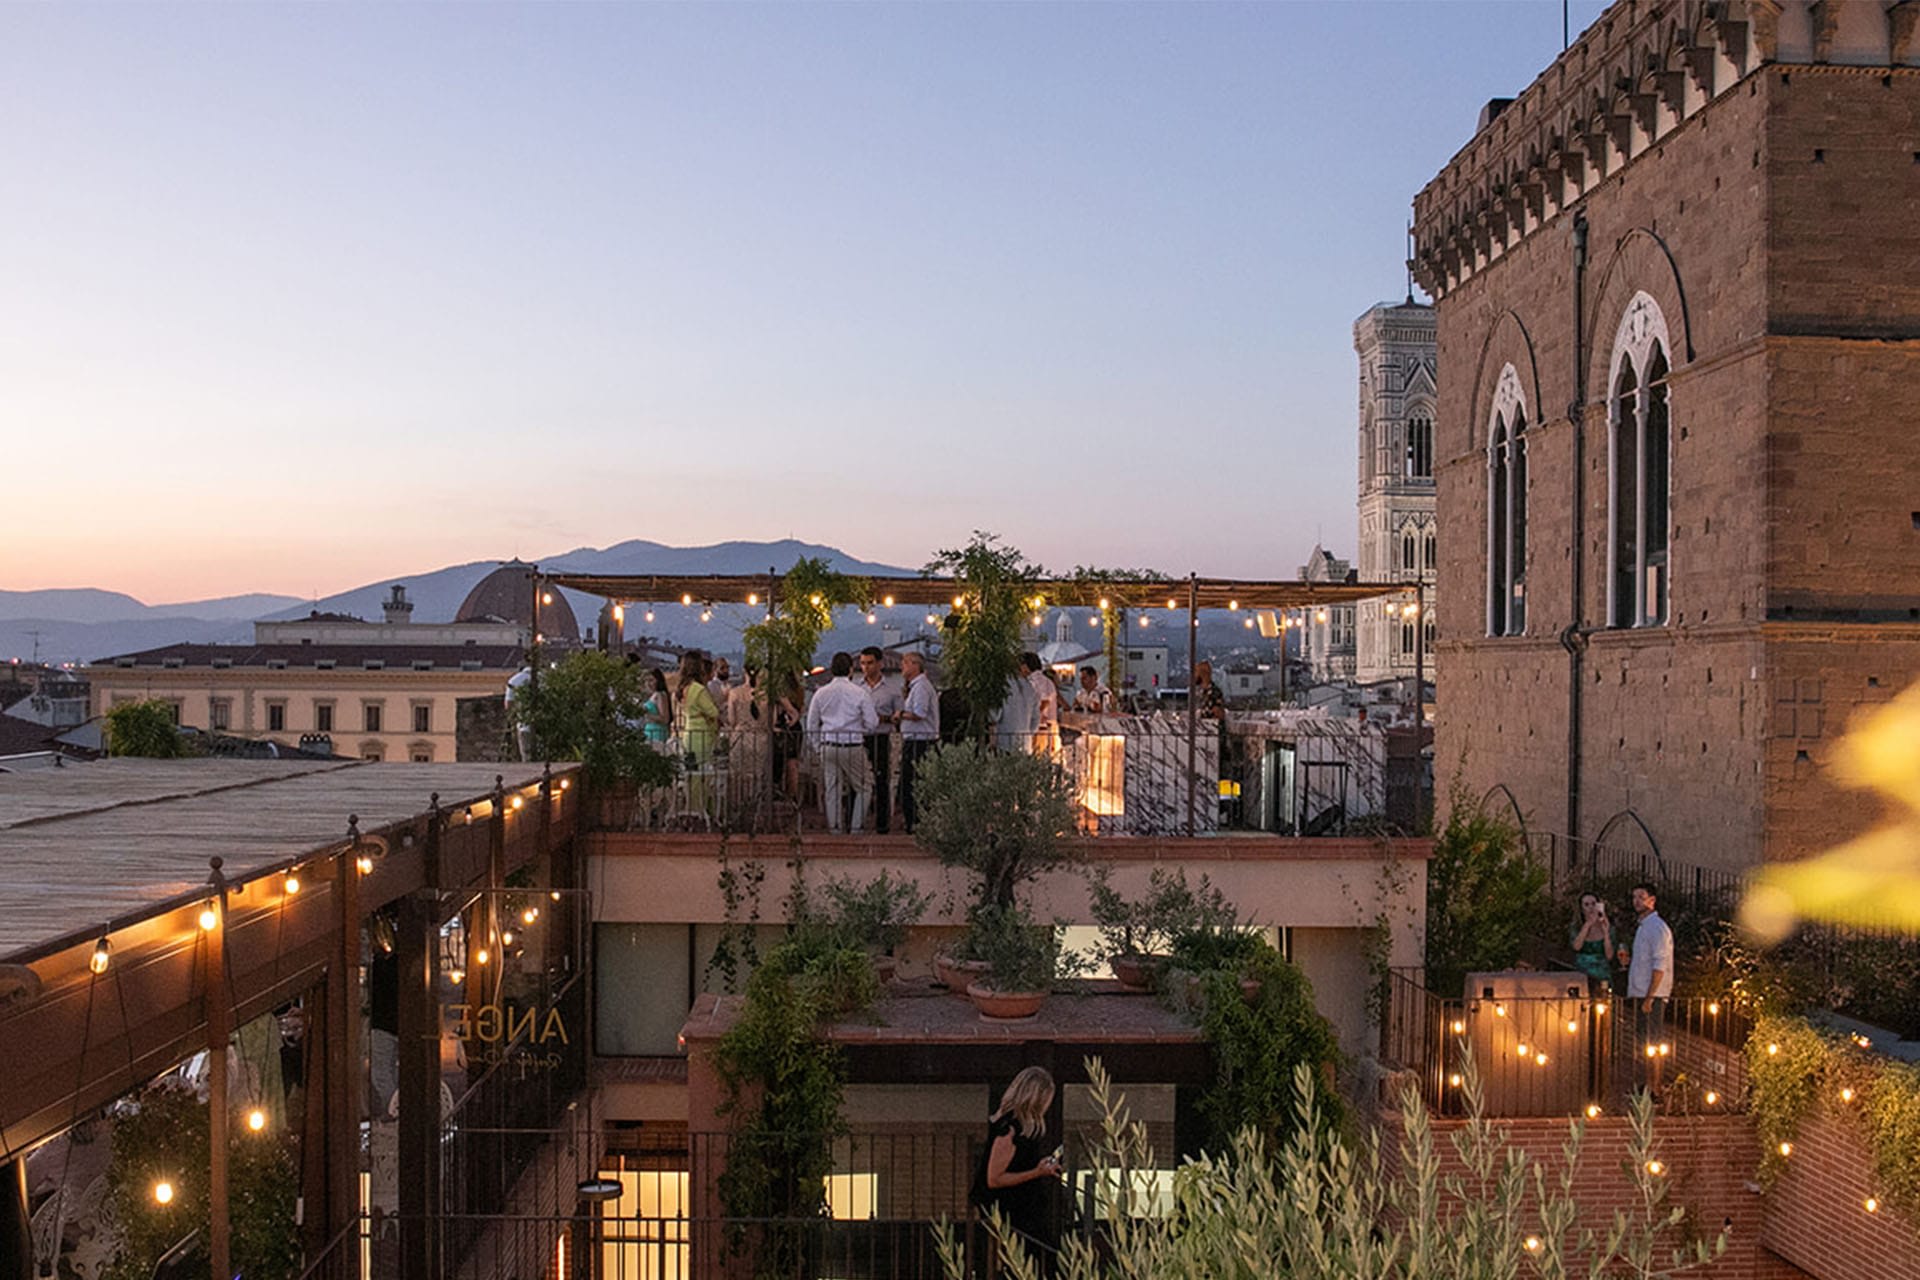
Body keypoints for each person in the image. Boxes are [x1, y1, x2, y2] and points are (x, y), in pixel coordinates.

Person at [972, 1066, 1063, 1274]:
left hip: (1023, 1209)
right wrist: (1036, 1172)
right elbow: (993, 1179)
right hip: (1013, 1213)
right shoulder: (1009, 1130)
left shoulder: (1023, 1129)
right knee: (1039, 1262)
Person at [805, 652, 878, 832]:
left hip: (829, 745)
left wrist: (818, 746)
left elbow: (811, 723)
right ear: (850, 670)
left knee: (832, 790)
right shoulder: (860, 693)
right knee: (865, 786)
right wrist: (860, 730)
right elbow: (872, 723)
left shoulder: (821, 693)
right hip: (852, 744)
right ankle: (856, 827)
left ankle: (835, 829)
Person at [1620, 882, 1674, 1096]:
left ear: (1652, 900)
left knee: (1653, 1042)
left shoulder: (1657, 928)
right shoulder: (1643, 927)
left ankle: (1655, 1088)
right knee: (1645, 1041)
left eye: (1641, 897)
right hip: (1642, 992)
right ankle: (1648, 1084)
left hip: (1652, 995)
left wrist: (1650, 997)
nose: (1637, 901)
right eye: (1635, 897)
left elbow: (1659, 966)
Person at [857, 647, 903, 834]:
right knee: (857, 781)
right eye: (863, 663)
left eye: (869, 663)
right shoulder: (857, 688)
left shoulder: (892, 690)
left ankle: (882, 824)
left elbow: (899, 716)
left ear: (879, 664)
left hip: (881, 737)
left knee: (882, 780)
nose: (866, 667)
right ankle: (856, 822)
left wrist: (882, 718)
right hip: (860, 738)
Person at [896, 652, 939, 833]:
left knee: (913, 785)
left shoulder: (920, 687)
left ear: (914, 665)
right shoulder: (917, 686)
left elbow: (920, 713)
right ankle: (915, 822)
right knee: (911, 785)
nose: (902, 667)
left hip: (920, 742)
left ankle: (916, 824)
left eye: (905, 663)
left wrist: (900, 715)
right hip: (917, 741)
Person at [1570, 893, 1614, 991]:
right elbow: (1576, 947)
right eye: (1586, 905)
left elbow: (1609, 955)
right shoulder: (1577, 927)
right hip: (1582, 973)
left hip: (1602, 973)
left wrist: (1606, 933)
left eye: (1593, 904)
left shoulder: (1607, 927)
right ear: (1581, 909)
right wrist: (1587, 925)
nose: (1591, 908)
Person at [1021, 652, 1058, 753]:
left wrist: (1035, 716)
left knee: (1038, 755)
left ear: (1025, 666)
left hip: (1043, 726)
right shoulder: (1045, 680)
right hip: (1046, 725)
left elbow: (1044, 701)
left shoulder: (1037, 680)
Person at [640, 669, 673, 744]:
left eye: (651, 680)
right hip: (649, 731)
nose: (648, 683)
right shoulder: (652, 695)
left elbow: (665, 719)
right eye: (646, 681)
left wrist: (647, 714)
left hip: (657, 733)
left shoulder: (660, 695)